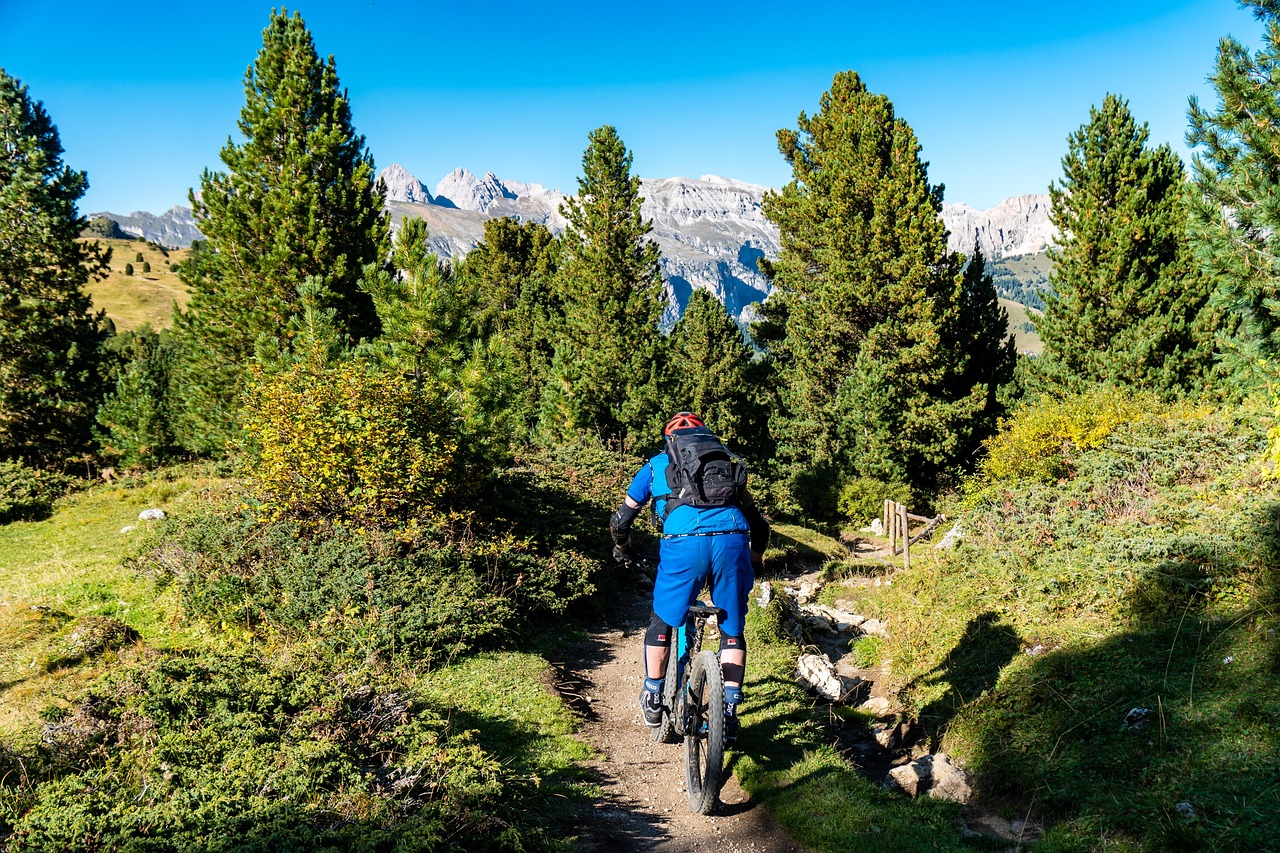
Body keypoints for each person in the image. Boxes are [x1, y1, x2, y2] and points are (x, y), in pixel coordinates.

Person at [609, 412, 770, 744]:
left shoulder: (655, 466)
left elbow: (621, 520)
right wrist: (755, 561)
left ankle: (653, 693)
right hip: (733, 541)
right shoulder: (725, 465)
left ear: (671, 442)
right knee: (732, 630)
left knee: (662, 618)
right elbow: (760, 526)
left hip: (683, 544)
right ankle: (728, 711)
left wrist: (622, 548)